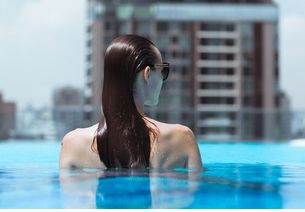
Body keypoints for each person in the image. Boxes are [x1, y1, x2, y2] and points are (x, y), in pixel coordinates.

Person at [59, 34, 202, 170]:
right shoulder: (182, 138)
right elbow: (195, 192)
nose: (163, 77)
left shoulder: (72, 143)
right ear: (147, 74)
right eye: (163, 69)